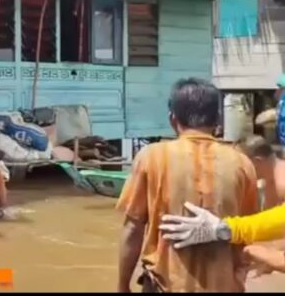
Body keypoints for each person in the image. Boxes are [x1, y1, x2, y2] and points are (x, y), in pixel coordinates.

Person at [116, 78, 258, 293]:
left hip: (164, 285)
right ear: (217, 119)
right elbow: (250, 233)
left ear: (173, 119)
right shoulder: (242, 164)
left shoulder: (151, 157)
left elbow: (133, 228)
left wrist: (122, 285)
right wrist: (238, 277)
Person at [236, 135, 285, 209]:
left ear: (257, 161)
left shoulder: (281, 186)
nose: (242, 169)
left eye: (242, 163)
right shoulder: (270, 178)